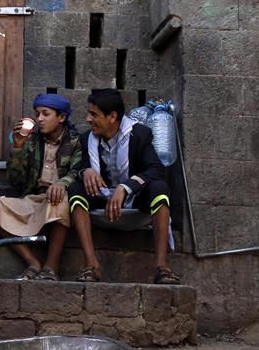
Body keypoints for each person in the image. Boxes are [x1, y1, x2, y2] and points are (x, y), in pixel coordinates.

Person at [67, 88, 180, 284]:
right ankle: (91, 265)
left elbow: (156, 169)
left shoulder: (140, 134)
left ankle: (162, 267)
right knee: (75, 191)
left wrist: (126, 187)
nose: (88, 119)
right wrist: (85, 171)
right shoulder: (87, 139)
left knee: (160, 190)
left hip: (135, 199)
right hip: (102, 199)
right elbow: (76, 168)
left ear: (112, 117)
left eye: (94, 114)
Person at [0, 94, 82, 281]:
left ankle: (50, 267)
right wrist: (17, 148)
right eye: (37, 114)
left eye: (46, 114)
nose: (40, 119)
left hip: (56, 200)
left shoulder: (76, 142)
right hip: (32, 200)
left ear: (61, 117)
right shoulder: (31, 141)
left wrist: (62, 183)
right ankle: (33, 263)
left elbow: (78, 170)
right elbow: (16, 181)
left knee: (59, 199)